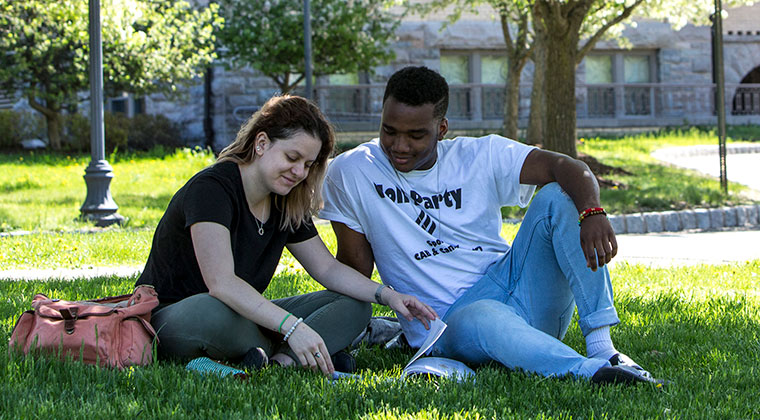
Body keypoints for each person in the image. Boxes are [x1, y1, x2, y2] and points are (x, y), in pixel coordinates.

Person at [319, 66, 665, 385]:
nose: (399, 146)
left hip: (522, 293)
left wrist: (592, 212)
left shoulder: (479, 155)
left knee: (559, 196)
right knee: (482, 315)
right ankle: (590, 373)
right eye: (389, 131)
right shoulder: (353, 171)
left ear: (441, 129)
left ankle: (604, 347)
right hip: (450, 324)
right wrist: (344, 328)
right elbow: (355, 265)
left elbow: (567, 166)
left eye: (416, 135)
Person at [136, 95, 437, 376]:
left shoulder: (284, 200)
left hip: (243, 315)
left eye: (308, 164)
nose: (299, 172)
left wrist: (388, 295)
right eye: (292, 157)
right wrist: (294, 327)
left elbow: (328, 269)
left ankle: (279, 360)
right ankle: (301, 352)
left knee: (354, 304)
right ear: (262, 143)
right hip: (180, 315)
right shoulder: (212, 189)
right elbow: (221, 284)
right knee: (209, 310)